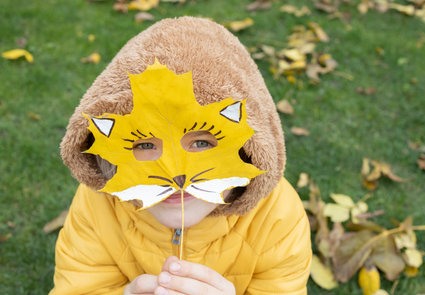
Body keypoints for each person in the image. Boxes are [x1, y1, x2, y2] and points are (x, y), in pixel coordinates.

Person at [52, 16, 311, 295]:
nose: (176, 174)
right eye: (146, 145)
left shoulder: (279, 219)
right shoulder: (96, 207)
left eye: (201, 143)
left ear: (248, 149)